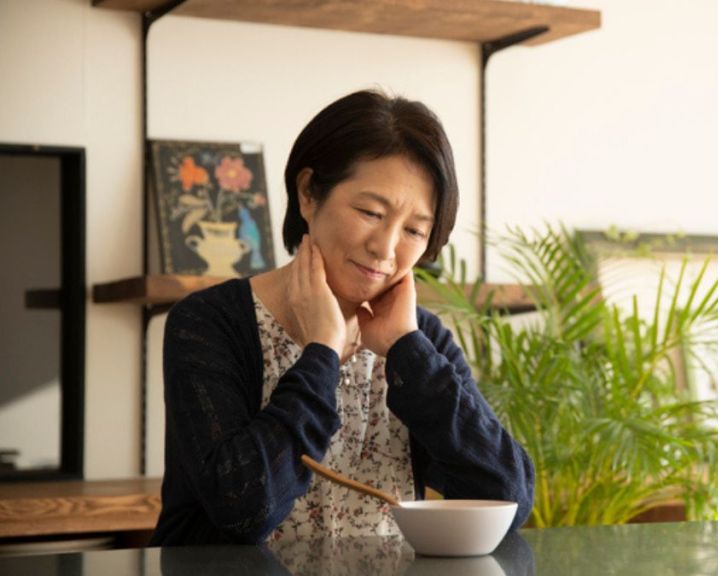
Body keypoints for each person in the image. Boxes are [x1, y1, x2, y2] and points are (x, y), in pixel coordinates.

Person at [151, 90, 535, 545]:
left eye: (414, 230)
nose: (387, 249)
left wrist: (408, 351)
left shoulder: (420, 340)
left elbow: (507, 499)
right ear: (309, 193)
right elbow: (243, 508)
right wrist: (322, 354)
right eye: (370, 212)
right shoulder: (209, 322)